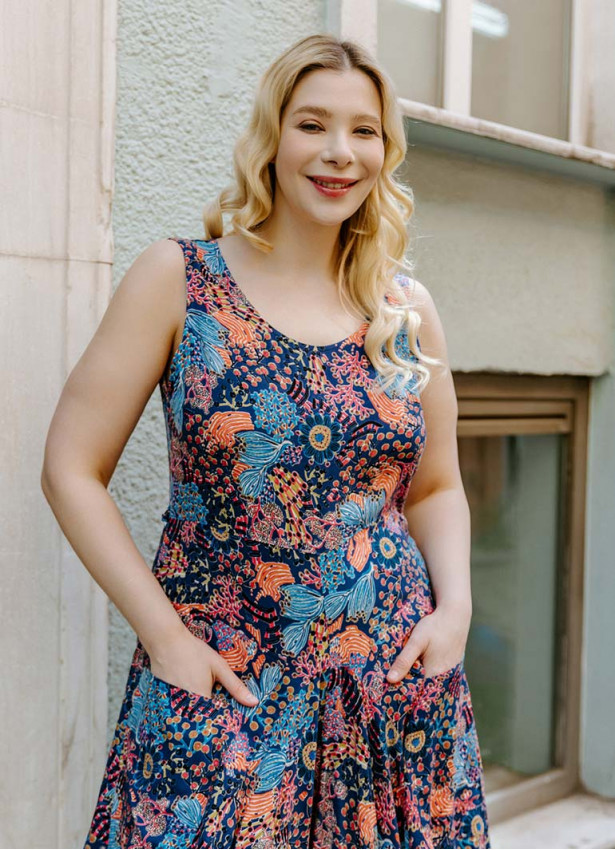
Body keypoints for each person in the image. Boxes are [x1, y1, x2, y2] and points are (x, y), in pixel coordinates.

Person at [41, 32, 490, 850]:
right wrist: (166, 639)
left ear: (384, 150)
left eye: (363, 131)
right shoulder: (180, 279)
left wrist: (454, 609)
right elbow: (71, 468)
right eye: (312, 124)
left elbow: (434, 487)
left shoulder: (404, 308)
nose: (339, 152)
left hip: (389, 684)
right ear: (271, 138)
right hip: (221, 679)